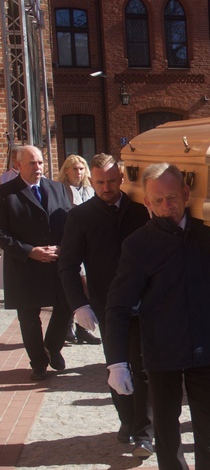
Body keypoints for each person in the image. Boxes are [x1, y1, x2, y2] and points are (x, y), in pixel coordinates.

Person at [106, 163, 210, 469]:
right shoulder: (138, 245)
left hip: (209, 348)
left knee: (209, 433)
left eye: (172, 197)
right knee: (166, 432)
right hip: (162, 351)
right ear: (147, 202)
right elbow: (118, 306)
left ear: (186, 193)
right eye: (158, 200)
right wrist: (116, 362)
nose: (167, 205)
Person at [58, 153, 154, 456]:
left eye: (112, 181)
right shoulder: (80, 217)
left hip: (144, 300)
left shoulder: (140, 211)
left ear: (121, 178)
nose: (107, 187)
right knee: (117, 365)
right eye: (100, 182)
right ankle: (127, 420)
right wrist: (78, 304)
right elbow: (68, 265)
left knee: (142, 366)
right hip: (108, 304)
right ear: (91, 180)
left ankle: (144, 432)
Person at [0, 145, 72, 381]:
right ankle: (38, 362)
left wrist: (62, 246)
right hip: (24, 266)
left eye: (40, 162)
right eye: (32, 163)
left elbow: (69, 222)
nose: (38, 167)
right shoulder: (5, 193)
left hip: (55, 263)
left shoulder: (59, 188)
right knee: (29, 317)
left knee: (66, 306)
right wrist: (29, 251)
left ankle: (52, 346)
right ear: (18, 165)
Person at [56, 153, 99, 346]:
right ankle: (67, 328)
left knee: (88, 287)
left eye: (81, 168)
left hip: (89, 244)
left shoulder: (90, 190)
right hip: (72, 243)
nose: (79, 172)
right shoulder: (61, 190)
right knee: (74, 285)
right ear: (66, 170)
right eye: (75, 168)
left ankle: (84, 329)